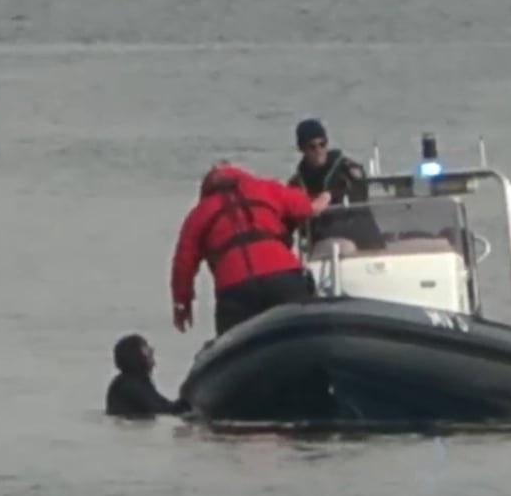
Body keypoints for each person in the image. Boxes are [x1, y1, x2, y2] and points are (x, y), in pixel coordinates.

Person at [170, 162, 332, 337]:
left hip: (235, 289)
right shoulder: (267, 189)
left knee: (232, 346)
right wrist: (326, 197)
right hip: (283, 276)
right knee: (304, 333)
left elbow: (183, 264)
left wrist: (182, 303)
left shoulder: (199, 214)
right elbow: (307, 207)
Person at [286, 118, 385, 250]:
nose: (318, 150)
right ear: (302, 149)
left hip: (363, 239)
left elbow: (358, 191)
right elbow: (291, 219)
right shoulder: (296, 183)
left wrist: (329, 196)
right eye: (312, 146)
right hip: (324, 242)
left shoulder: (346, 169)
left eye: (322, 144)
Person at [105, 333, 189, 419]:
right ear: (134, 353)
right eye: (145, 346)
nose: (151, 350)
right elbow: (160, 409)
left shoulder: (131, 381)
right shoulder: (130, 384)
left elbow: (163, 405)